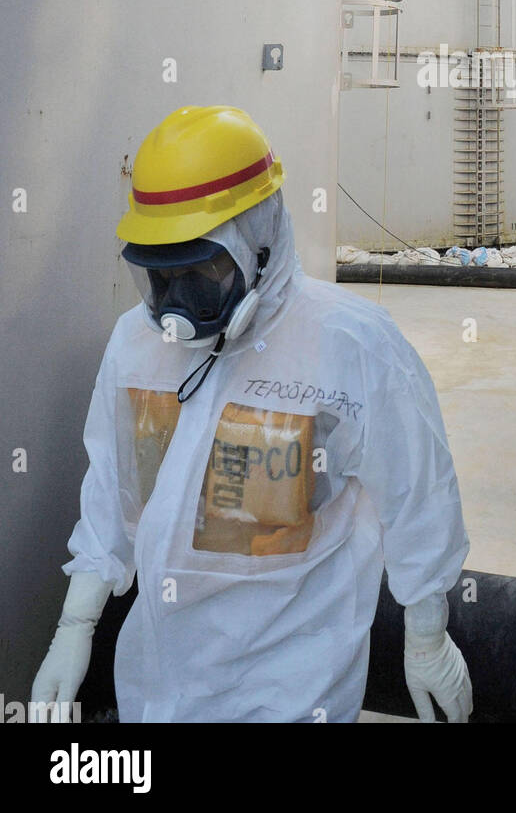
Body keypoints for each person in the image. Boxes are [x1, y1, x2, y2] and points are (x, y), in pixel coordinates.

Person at [30, 105, 472, 723]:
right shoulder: (138, 346)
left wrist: (426, 633)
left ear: (260, 239)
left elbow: (418, 496)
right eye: (159, 275)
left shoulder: (350, 347)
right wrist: (74, 625)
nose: (176, 307)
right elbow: (111, 488)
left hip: (294, 687)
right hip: (158, 684)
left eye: (202, 270)